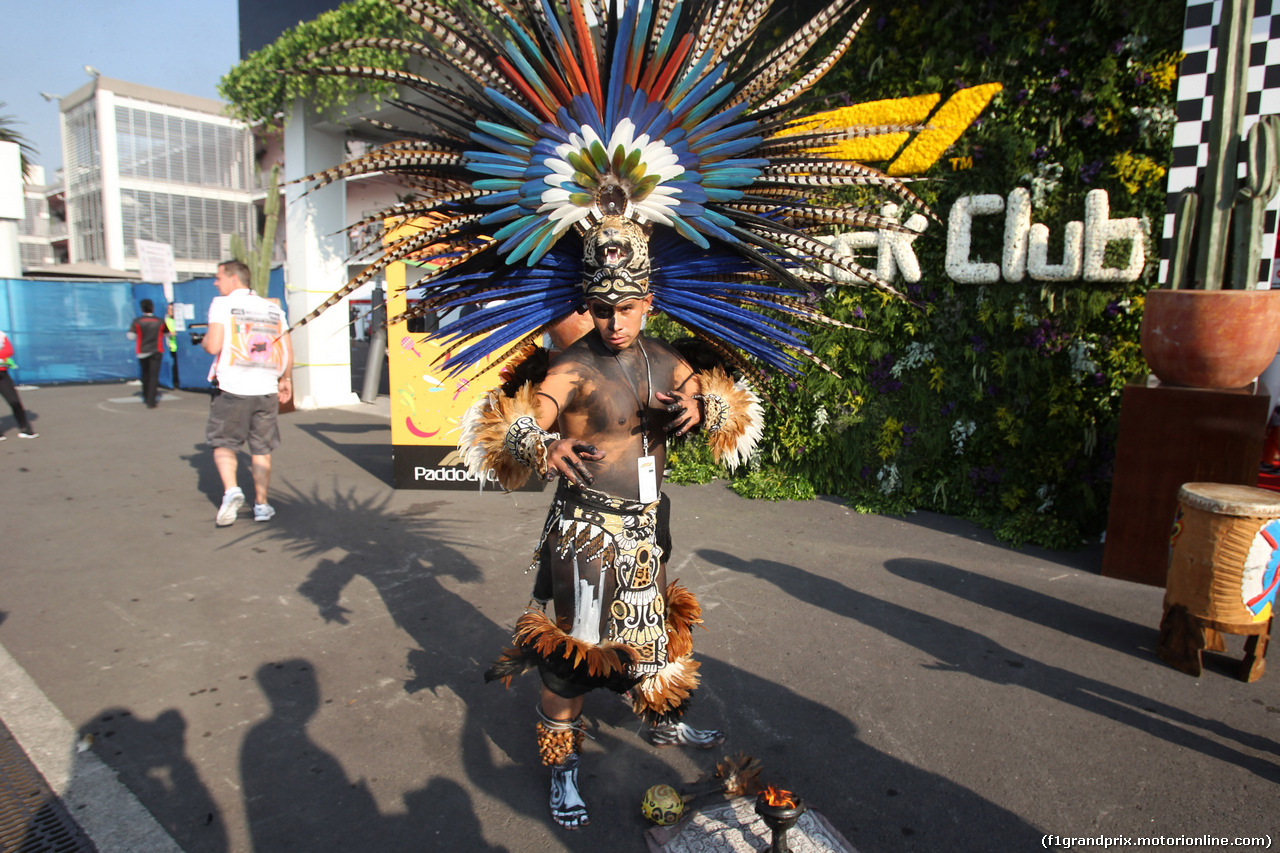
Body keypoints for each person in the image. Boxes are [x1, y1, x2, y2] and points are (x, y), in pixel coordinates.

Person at [463, 218, 761, 829]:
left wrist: (707, 404)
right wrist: (536, 442)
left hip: (648, 527)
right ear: (587, 306)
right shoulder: (571, 366)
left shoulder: (667, 360)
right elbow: (525, 416)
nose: (614, 322)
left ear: (648, 304)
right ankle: (562, 766)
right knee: (574, 659)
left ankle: (660, 717)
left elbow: (731, 404)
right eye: (601, 309)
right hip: (586, 538)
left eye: (626, 307)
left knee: (653, 636)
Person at [201, 261, 292, 526]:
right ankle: (262, 505)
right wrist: (286, 380)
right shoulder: (273, 308)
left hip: (233, 386)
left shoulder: (222, 304)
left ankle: (232, 491)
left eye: (218, 278)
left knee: (223, 442)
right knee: (261, 447)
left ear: (233, 279)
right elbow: (287, 347)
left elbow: (213, 345)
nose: (216, 283)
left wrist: (206, 341)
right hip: (266, 387)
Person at [127, 299, 168, 408]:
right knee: (154, 376)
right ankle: (151, 401)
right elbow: (167, 333)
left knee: (145, 375)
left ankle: (146, 396)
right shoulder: (159, 321)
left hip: (142, 351)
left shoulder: (137, 321)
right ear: (152, 308)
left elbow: (131, 336)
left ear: (142, 308)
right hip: (157, 350)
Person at [0, 329, 37, 439]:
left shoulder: (1, 335)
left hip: (2, 374)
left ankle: (25, 429)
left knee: (14, 401)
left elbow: (9, 351)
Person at [165, 303, 179, 389]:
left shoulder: (178, 320)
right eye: (168, 309)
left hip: (180, 347)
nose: (169, 311)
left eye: (171, 309)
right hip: (171, 347)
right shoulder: (166, 320)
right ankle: (174, 382)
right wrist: (170, 334)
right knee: (173, 366)